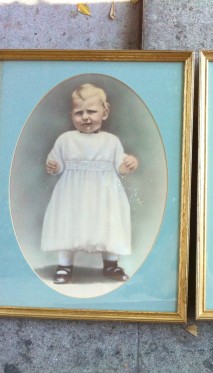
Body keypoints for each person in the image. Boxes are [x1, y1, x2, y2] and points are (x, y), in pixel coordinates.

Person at [41, 83, 138, 285]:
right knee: (69, 224)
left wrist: (129, 163)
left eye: (91, 111)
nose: (85, 117)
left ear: (105, 112)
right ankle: (64, 265)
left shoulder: (111, 141)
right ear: (72, 115)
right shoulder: (65, 140)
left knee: (108, 224)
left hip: (105, 194)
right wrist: (53, 165)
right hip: (72, 193)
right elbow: (56, 164)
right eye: (79, 113)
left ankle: (111, 264)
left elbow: (120, 167)